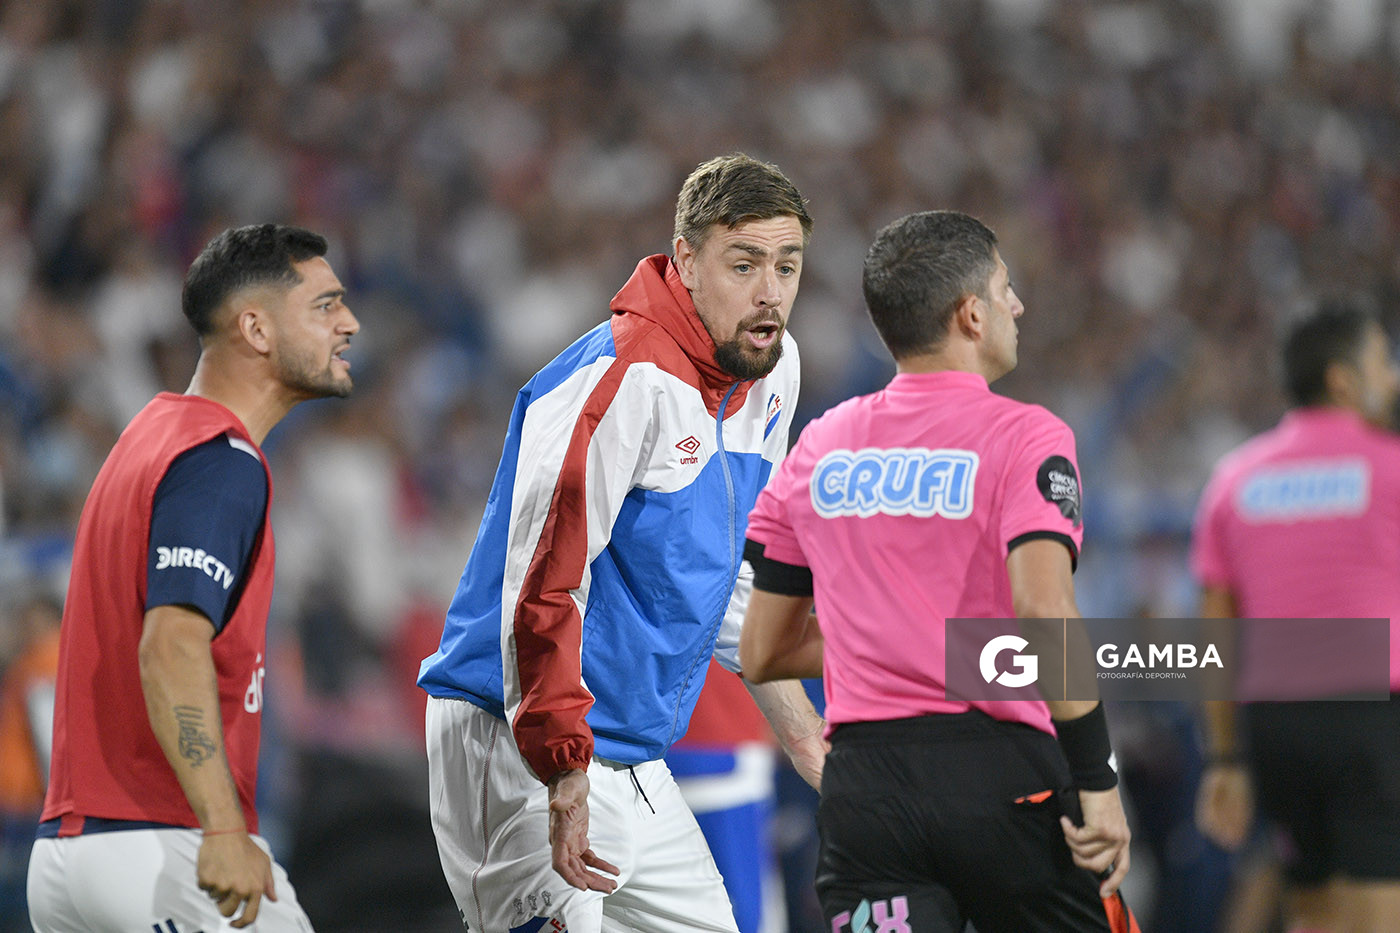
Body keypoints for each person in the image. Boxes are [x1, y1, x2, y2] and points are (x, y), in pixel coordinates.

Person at [417, 152, 828, 933]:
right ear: (687, 262)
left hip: (631, 751)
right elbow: (542, 586)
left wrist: (808, 739)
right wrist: (562, 768)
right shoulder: (621, 379)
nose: (771, 291)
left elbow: (727, 583)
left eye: (787, 264)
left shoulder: (773, 374)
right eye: (743, 264)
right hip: (521, 742)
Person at [739, 210, 1136, 932]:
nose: (1017, 306)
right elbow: (1044, 614)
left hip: (865, 795)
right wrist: (1097, 778)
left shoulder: (818, 448)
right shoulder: (1028, 437)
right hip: (1004, 780)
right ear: (971, 313)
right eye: (1006, 289)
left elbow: (762, 649)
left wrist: (893, 640)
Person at [27, 223, 360, 932]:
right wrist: (222, 828)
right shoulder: (220, 460)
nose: (350, 323)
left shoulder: (148, 435)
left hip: (71, 853)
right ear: (257, 329)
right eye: (326, 305)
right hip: (158, 841)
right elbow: (171, 643)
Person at [1192, 301, 1400, 931]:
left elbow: (1214, 637)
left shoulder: (1233, 479)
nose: (1390, 379)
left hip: (1277, 727)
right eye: (1381, 363)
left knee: (1314, 918)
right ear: (1344, 379)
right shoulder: (1390, 463)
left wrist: (1225, 760)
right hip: (1372, 719)